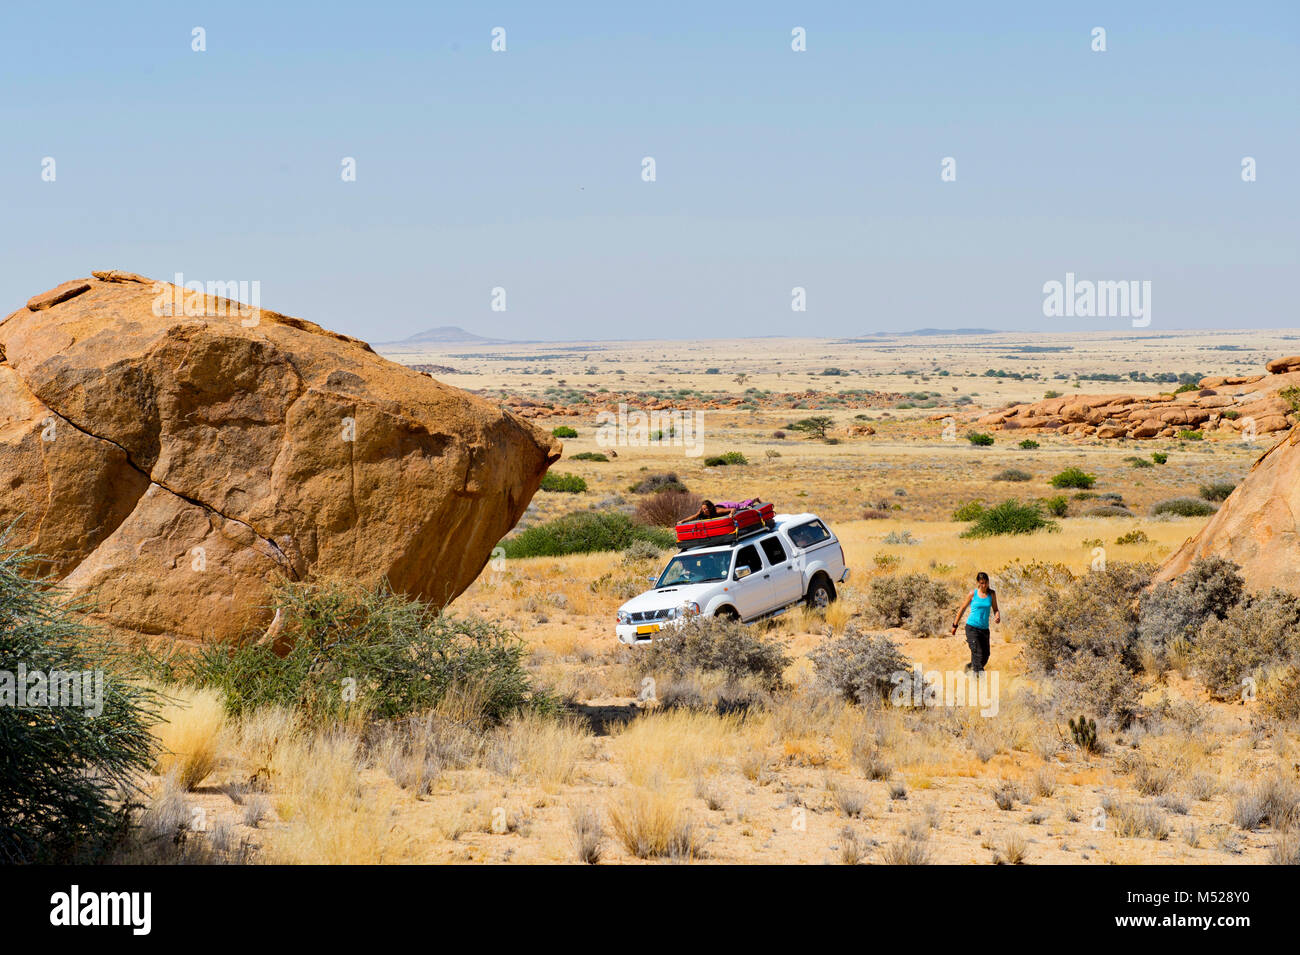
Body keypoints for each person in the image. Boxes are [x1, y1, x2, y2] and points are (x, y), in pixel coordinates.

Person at [951, 572, 1000, 673]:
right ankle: (979, 681)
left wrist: (997, 615)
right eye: (982, 583)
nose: (984, 585)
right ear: (978, 582)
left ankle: (969, 668)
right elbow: (962, 608)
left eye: (986, 583)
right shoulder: (972, 594)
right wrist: (955, 625)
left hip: (984, 630)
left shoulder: (992, 594)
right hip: (972, 628)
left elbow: (995, 609)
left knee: (985, 655)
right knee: (978, 653)